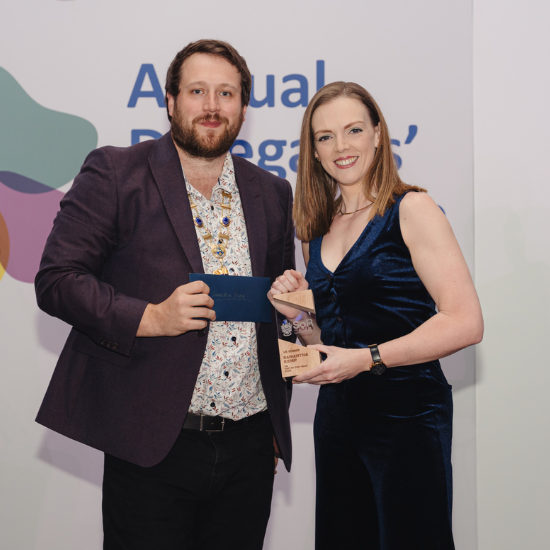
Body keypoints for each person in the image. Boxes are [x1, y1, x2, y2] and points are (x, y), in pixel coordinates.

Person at [35, 39, 295, 550]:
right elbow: (57, 279)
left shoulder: (272, 192)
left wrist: (295, 314)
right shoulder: (116, 172)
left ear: (244, 108)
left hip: (249, 448)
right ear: (171, 101)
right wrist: (150, 317)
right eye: (197, 91)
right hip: (152, 443)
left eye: (226, 93)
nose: (212, 106)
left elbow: (281, 317)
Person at [268, 82, 483, 550]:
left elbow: (466, 321)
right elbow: (324, 345)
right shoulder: (315, 230)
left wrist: (367, 359)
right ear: (314, 151)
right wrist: (295, 314)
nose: (341, 147)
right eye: (325, 137)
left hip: (408, 414)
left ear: (378, 134)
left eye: (353, 130)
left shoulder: (412, 208)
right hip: (337, 419)